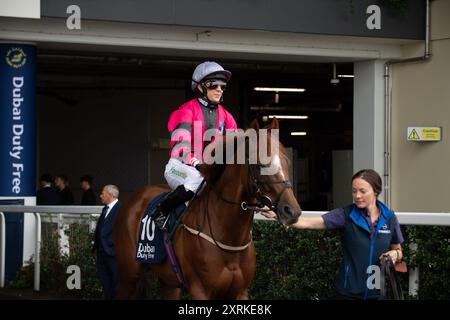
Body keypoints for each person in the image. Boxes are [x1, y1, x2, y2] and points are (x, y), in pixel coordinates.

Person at [262, 169, 404, 300]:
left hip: (379, 295)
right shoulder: (345, 214)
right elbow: (306, 223)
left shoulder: (389, 217)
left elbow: (398, 250)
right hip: (348, 294)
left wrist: (395, 255)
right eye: (354, 191)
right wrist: (277, 215)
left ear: (375, 191)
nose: (357, 196)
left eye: (362, 191)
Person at [152, 61, 238, 230]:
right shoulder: (185, 111)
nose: (219, 89)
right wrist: (197, 164)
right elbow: (180, 147)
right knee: (198, 180)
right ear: (200, 87)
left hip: (207, 170)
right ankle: (160, 211)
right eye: (214, 85)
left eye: (222, 85)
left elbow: (235, 147)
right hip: (179, 167)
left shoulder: (227, 117)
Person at [93, 184, 121, 300]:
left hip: (113, 253)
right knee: (105, 283)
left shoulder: (121, 209)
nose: (100, 196)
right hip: (101, 252)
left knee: (115, 284)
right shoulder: (105, 209)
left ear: (110, 195)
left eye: (102, 193)